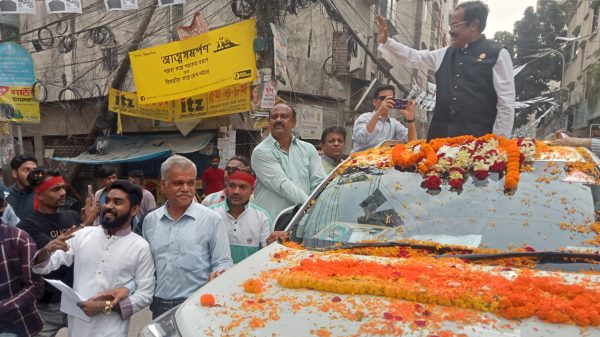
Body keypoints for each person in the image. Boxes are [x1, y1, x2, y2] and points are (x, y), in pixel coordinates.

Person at [375, 1, 515, 140]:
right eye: (450, 25)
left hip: (478, 148)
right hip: (439, 143)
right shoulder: (443, 54)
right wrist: (387, 42)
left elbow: (506, 104)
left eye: (455, 25)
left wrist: (499, 145)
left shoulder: (497, 54)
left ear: (474, 25)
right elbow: (414, 57)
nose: (450, 31)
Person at [32, 180, 155, 337]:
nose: (109, 206)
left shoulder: (140, 247)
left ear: (134, 209)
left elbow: (145, 294)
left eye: (117, 202)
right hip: (78, 328)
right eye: (107, 200)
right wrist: (47, 250)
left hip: (112, 330)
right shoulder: (83, 234)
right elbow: (44, 266)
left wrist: (105, 306)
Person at [142, 155, 232, 319]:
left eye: (190, 183)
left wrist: (220, 272)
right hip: (160, 305)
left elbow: (223, 261)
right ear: (163, 185)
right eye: (178, 183)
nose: (186, 188)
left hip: (197, 303)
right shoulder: (150, 221)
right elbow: (145, 267)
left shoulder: (211, 219)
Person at [17, 168, 98, 337]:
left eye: (63, 188)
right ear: (39, 194)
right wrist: (87, 222)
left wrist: (89, 224)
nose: (62, 193)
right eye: (55, 189)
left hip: (77, 299)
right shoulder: (27, 226)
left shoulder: (73, 216)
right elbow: (54, 253)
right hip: (46, 303)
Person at [252, 103, 327, 220]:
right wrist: (311, 206)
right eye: (274, 117)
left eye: (284, 116)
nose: (278, 119)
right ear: (269, 122)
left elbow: (319, 182)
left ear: (294, 123)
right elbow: (281, 184)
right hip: (271, 222)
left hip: (302, 221)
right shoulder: (261, 151)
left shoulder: (308, 149)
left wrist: (318, 208)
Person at [209, 167, 287, 264]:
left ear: (252, 190)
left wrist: (272, 243)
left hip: (250, 276)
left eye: (242, 187)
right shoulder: (210, 214)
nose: (236, 191)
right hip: (216, 276)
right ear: (226, 188)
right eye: (232, 186)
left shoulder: (262, 217)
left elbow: (267, 253)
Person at [0, 199, 44, 337]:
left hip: (17, 325)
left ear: (2, 206)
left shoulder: (20, 239)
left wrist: (3, 307)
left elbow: (35, 286)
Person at [352, 85, 417, 153]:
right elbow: (360, 139)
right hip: (359, 160)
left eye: (391, 99)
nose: (387, 101)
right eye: (383, 98)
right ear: (374, 101)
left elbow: (412, 142)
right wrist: (379, 112)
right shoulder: (364, 118)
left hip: (382, 161)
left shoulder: (394, 124)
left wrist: (410, 118)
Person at [6, 154, 37, 221]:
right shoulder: (5, 197)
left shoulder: (42, 195)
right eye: (26, 170)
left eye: (34, 171)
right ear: (14, 173)